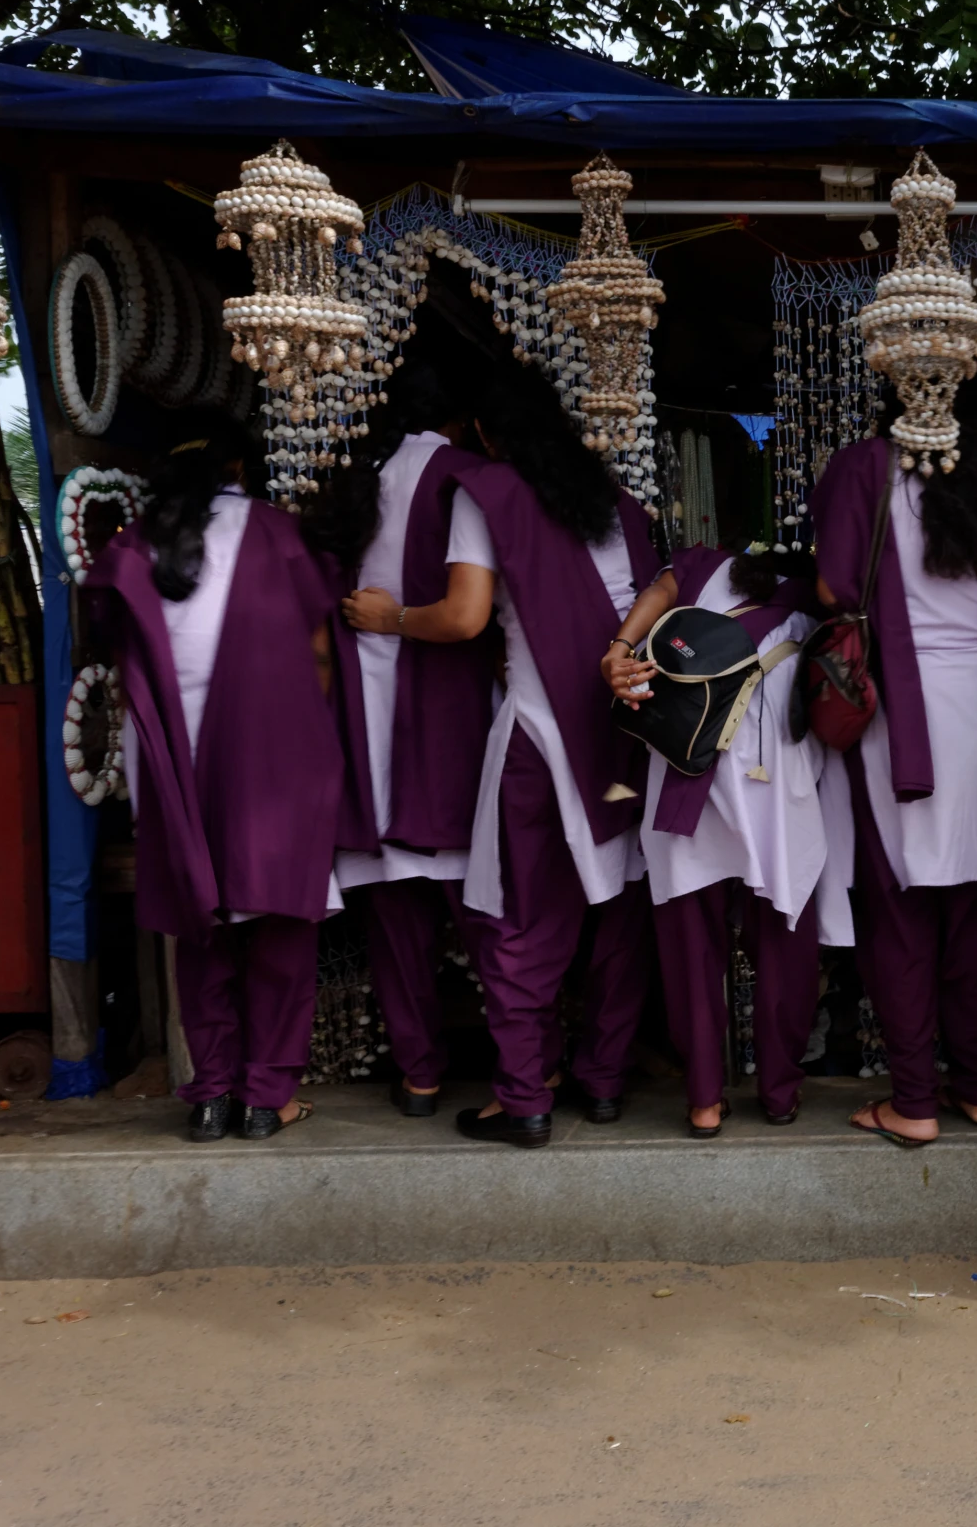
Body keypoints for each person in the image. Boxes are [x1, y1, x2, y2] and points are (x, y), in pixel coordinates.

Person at [346, 366, 660, 1148]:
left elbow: (462, 617)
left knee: (521, 916)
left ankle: (523, 1096)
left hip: (541, 729)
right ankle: (605, 1082)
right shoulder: (618, 505)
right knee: (619, 910)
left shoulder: (488, 495)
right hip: (628, 724)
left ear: (483, 435)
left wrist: (390, 620)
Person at [84, 414, 343, 1142]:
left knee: (201, 933)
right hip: (272, 753)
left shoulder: (137, 545)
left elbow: (116, 652)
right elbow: (321, 657)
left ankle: (209, 1096)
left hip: (173, 762)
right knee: (281, 930)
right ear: (240, 468)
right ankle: (267, 1100)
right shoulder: (276, 530)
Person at [811, 394, 977, 1147]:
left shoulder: (861, 470)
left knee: (902, 913)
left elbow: (831, 591)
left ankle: (914, 1100)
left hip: (902, 713)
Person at [308, 361, 496, 1118]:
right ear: (461, 418)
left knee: (393, 923)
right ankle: (529, 1069)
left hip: (363, 721)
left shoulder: (352, 483)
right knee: (485, 912)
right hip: (451, 716)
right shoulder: (467, 478)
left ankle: (419, 1075)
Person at [605, 544, 847, 1134]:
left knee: (692, 947)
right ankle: (780, 1092)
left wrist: (617, 651)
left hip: (686, 774)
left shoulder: (695, 570)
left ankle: (705, 1101)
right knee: (784, 945)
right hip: (774, 788)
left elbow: (657, 594)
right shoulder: (815, 604)